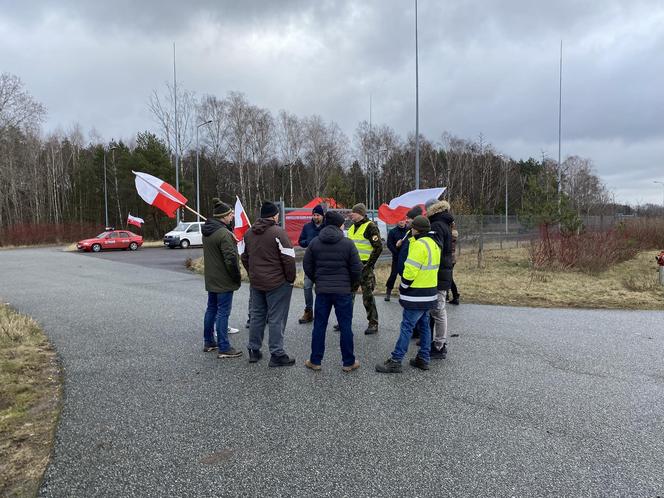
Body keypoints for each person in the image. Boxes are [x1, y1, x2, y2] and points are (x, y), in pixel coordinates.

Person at [376, 215, 441, 373]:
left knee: (407, 327)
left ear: (416, 229)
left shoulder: (419, 245)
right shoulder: (433, 244)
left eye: (412, 227)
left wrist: (403, 286)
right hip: (430, 292)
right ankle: (423, 358)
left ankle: (396, 360)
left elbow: (410, 271)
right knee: (425, 326)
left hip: (416, 294)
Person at [303, 211, 363, 372]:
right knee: (345, 326)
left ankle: (315, 361)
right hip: (343, 291)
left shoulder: (315, 243)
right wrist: (350, 284)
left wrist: (317, 279)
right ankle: (348, 362)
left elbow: (307, 265)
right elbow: (357, 268)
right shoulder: (348, 243)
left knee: (319, 326)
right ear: (339, 225)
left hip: (322, 290)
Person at [241, 201, 297, 367]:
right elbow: (289, 259)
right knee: (276, 318)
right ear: (274, 215)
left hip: (257, 281)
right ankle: (277, 354)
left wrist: (253, 273)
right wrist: (290, 279)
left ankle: (254, 350)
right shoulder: (279, 232)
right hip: (277, 283)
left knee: (257, 316)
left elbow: (244, 256)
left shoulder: (249, 233)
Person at [201, 199, 243, 358]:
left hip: (211, 278)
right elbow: (231, 259)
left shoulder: (208, 231)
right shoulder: (224, 234)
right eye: (230, 214)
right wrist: (236, 277)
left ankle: (209, 341)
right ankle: (224, 347)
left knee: (211, 309)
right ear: (223, 216)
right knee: (223, 312)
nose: (232, 216)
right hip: (224, 280)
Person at [345, 203, 383, 334]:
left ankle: (373, 323)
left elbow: (378, 247)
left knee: (367, 297)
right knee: (348, 295)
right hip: (352, 267)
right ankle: (344, 321)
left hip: (365, 267)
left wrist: (369, 265)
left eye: (353, 212)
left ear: (360, 213)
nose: (351, 214)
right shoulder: (351, 228)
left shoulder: (370, 227)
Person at [424, 199, 454, 359]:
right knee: (437, 309)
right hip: (443, 271)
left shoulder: (436, 225)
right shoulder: (444, 222)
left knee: (438, 310)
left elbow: (434, 251)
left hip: (438, 273)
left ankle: (439, 346)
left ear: (431, 210)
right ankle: (437, 343)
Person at [297, 204, 325, 324]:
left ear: (322, 216)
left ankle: (321, 312)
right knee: (307, 287)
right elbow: (300, 241)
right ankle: (308, 311)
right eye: (314, 215)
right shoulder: (307, 227)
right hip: (310, 262)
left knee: (320, 289)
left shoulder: (327, 227)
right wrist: (307, 242)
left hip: (323, 262)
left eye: (318, 215)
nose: (315, 217)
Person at [385, 217, 409, 302]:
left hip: (407, 258)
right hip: (396, 257)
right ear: (397, 221)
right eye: (400, 220)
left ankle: (404, 294)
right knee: (393, 275)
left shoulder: (409, 231)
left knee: (405, 276)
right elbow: (389, 244)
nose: (401, 222)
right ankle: (388, 292)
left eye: (403, 220)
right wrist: (396, 251)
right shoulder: (393, 232)